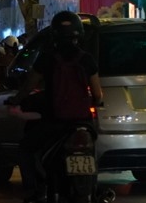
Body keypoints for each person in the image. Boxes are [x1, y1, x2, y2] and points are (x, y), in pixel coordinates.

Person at [9, 11, 103, 203]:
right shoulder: (87, 59)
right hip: (83, 123)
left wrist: (16, 100)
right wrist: (96, 102)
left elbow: (29, 85)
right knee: (93, 150)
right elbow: (98, 94)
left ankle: (36, 190)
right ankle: (94, 190)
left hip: (55, 122)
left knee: (26, 149)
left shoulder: (47, 58)